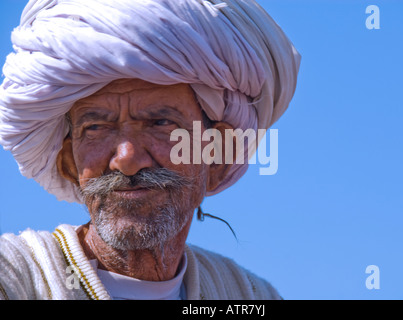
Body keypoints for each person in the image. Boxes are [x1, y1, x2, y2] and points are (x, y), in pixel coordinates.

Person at [0, 0, 300, 300]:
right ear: (69, 164)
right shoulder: (13, 280)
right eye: (95, 128)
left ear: (217, 157)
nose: (127, 159)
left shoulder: (246, 295)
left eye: (160, 123)